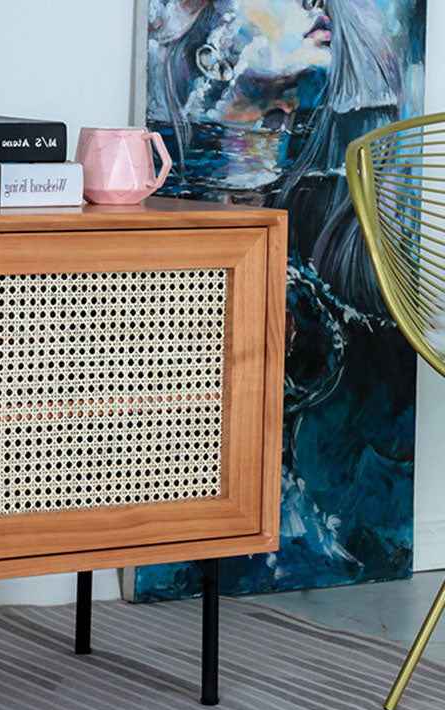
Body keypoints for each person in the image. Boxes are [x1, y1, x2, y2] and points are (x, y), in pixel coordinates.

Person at [148, 0, 418, 589]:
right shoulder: (190, 173)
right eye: (297, 1)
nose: (317, 7)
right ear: (210, 52)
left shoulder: (327, 193)